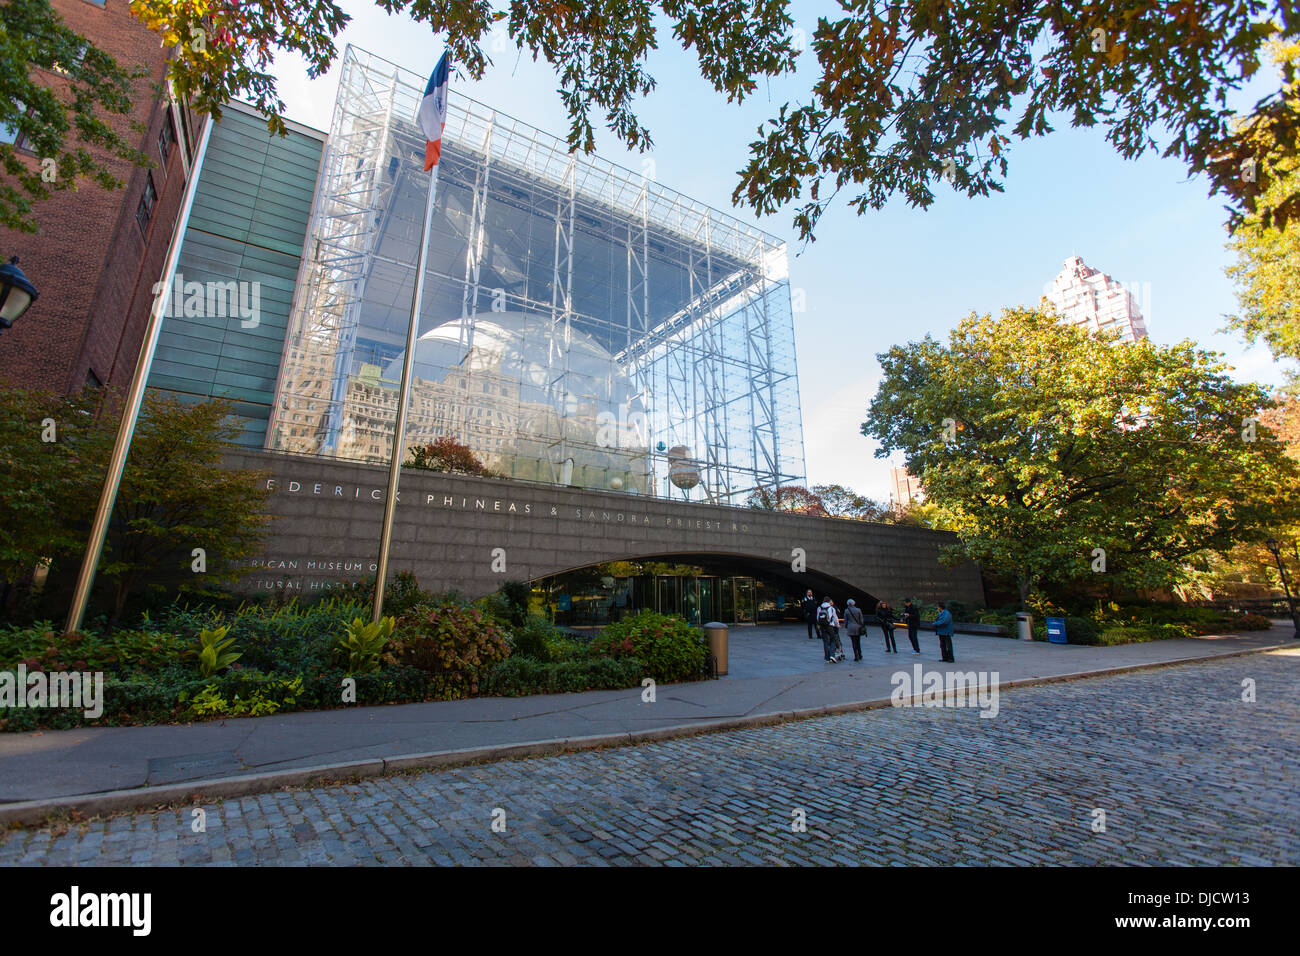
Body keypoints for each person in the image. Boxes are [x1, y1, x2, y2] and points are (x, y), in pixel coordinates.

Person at [816, 596, 845, 662]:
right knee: (833, 640)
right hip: (830, 626)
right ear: (829, 601)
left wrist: (819, 625)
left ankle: (827, 657)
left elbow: (817, 618)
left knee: (825, 642)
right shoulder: (831, 608)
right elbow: (835, 618)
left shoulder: (819, 608)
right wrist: (838, 625)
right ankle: (832, 655)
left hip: (822, 627)